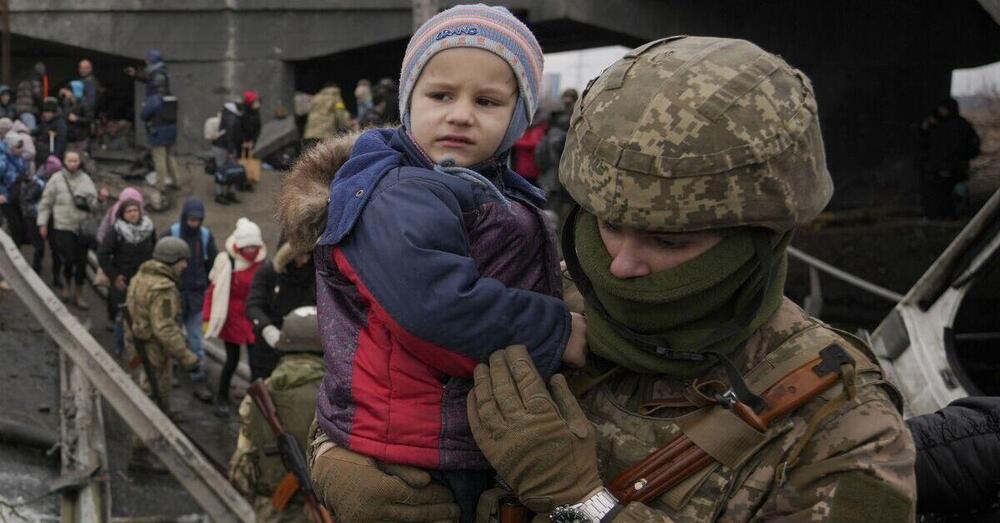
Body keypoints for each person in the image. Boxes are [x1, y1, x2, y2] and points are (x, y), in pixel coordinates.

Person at [460, 36, 917, 522]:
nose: (620, 266)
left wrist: (582, 502)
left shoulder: (845, 426)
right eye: (610, 226)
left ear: (757, 241)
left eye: (670, 242)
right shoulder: (545, 296)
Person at [279, 6, 587, 522]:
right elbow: (433, 306)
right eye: (441, 95)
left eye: (487, 101)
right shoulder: (403, 191)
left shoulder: (487, 188)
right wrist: (557, 332)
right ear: (408, 100)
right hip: (412, 448)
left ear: (517, 116)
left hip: (450, 432)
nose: (461, 114)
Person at [229, 306, 325, 523]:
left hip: (270, 509)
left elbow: (241, 469)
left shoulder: (260, 394)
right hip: (317, 511)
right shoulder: (335, 399)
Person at [124, 236, 200, 471]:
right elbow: (165, 328)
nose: (184, 265)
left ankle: (159, 425)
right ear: (171, 261)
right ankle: (141, 453)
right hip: (154, 351)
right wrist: (187, 356)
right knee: (150, 399)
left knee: (151, 392)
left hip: (139, 347)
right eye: (181, 261)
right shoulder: (163, 288)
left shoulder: (140, 277)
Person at [203, 217, 266, 416]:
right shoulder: (226, 261)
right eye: (247, 247)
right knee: (232, 360)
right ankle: (221, 397)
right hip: (231, 317)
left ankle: (259, 403)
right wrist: (207, 317)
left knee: (257, 363)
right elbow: (214, 290)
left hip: (251, 316)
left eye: (254, 247)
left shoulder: (262, 262)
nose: (250, 251)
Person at [164, 198, 218, 402]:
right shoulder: (172, 233)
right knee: (171, 334)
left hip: (195, 295)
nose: (194, 223)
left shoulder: (205, 237)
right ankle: (170, 371)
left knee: (196, 338)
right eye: (191, 219)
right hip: (174, 294)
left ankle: (198, 376)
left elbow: (213, 261)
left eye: (198, 220)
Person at [244, 241, 316, 380]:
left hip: (300, 348)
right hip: (268, 346)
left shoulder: (314, 276)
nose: (304, 260)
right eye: (300, 255)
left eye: (308, 256)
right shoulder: (269, 272)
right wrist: (267, 329)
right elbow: (253, 305)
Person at [37, 150, 96, 308]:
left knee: (82, 262)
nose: (72, 163)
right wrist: (42, 223)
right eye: (69, 161)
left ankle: (79, 293)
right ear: (64, 162)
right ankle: (66, 285)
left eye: (75, 160)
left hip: (81, 227)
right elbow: (46, 202)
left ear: (79, 162)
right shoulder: (56, 179)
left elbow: (94, 204)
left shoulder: (86, 180)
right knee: (68, 258)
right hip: (63, 226)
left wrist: (98, 200)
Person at [98, 195, 156, 354]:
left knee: (144, 315)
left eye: (135, 210)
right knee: (122, 317)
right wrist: (114, 276)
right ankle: (120, 347)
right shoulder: (116, 231)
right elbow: (102, 254)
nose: (132, 214)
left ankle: (140, 349)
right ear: (122, 214)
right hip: (123, 282)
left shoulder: (149, 228)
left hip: (145, 281)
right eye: (128, 211)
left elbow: (154, 250)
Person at [916, 98, 981, 219]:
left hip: (953, 168)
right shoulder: (935, 125)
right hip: (938, 168)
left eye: (944, 109)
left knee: (950, 196)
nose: (942, 111)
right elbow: (923, 144)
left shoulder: (961, 126)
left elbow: (973, 147)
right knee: (936, 196)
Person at [139, 76, 181, 197]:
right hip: (171, 130)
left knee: (159, 159)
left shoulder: (154, 99)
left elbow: (143, 115)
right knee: (170, 156)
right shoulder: (172, 98)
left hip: (158, 132)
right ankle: (177, 181)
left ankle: (161, 185)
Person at [19, 155, 61, 273]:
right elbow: (27, 201)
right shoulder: (37, 183)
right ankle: (36, 271)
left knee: (56, 247)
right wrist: (39, 213)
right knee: (39, 247)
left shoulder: (55, 182)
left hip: (51, 217)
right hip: (35, 218)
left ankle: (56, 275)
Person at [211, 100, 243, 205]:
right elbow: (230, 135)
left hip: (222, 146)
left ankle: (226, 193)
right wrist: (231, 150)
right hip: (223, 147)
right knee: (222, 170)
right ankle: (221, 194)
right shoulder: (231, 117)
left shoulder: (228, 113)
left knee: (227, 170)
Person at [302, 83, 352, 148]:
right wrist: (346, 127)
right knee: (324, 155)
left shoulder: (316, 97)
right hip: (325, 132)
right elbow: (340, 114)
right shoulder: (336, 98)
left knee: (310, 154)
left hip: (310, 132)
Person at [0, 132, 27, 246]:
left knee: (20, 221)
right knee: (14, 223)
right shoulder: (2, 161)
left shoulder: (19, 158)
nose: (21, 149)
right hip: (5, 196)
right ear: (10, 147)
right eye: (18, 147)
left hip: (17, 194)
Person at [511, 108, 548, 186]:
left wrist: (514, 142)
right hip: (522, 165)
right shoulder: (527, 128)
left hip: (530, 167)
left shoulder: (537, 128)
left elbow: (533, 143)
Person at [14, 62, 47, 130]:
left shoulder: (23, 81)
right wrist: (44, 108)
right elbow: (37, 97)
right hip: (28, 112)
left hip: (18, 111)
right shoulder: (35, 81)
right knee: (31, 131)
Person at [35, 97, 67, 162]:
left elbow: (60, 142)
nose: (46, 115)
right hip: (42, 148)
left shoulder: (60, 124)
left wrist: (54, 158)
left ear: (53, 113)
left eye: (48, 113)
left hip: (51, 152)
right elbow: (39, 130)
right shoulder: (44, 120)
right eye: (45, 112)